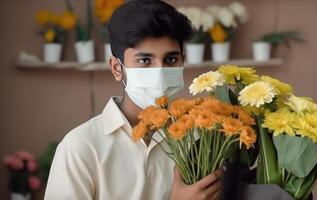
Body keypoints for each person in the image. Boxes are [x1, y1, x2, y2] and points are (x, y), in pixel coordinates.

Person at [44, 0, 223, 199]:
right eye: (145, 60)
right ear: (116, 68)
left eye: (170, 60)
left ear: (183, 60)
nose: (159, 72)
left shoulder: (203, 139)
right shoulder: (81, 147)